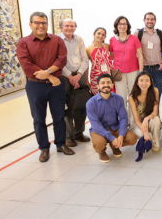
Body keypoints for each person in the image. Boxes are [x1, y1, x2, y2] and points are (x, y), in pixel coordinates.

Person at [17, 11, 74, 162]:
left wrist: (48, 72)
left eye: (43, 23)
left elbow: (62, 59)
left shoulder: (57, 40)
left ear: (47, 24)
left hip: (56, 85)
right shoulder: (23, 42)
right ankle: (44, 148)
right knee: (38, 119)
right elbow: (26, 65)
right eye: (37, 22)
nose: (40, 25)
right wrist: (50, 76)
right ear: (31, 24)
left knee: (59, 116)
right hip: (35, 86)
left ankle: (61, 144)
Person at [86, 73, 137, 163]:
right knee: (99, 143)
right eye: (103, 83)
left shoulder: (119, 99)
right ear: (98, 86)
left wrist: (121, 135)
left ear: (112, 85)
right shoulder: (91, 103)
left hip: (114, 127)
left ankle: (115, 146)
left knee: (132, 138)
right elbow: (96, 125)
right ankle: (101, 152)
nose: (106, 85)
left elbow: (123, 118)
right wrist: (112, 138)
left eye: (108, 82)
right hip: (99, 129)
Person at [58, 18, 90, 147]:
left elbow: (85, 59)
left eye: (72, 26)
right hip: (64, 76)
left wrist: (79, 75)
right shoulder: (57, 40)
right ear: (61, 27)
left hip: (79, 74)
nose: (70, 28)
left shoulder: (79, 39)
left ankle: (79, 132)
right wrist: (70, 77)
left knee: (81, 104)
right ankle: (69, 135)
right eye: (67, 26)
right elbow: (57, 61)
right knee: (67, 105)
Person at [110, 16, 143, 111]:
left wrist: (141, 72)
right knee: (121, 97)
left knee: (134, 96)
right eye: (120, 24)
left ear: (128, 26)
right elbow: (112, 56)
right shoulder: (112, 40)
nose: (122, 26)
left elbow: (140, 56)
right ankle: (124, 121)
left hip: (134, 71)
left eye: (125, 24)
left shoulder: (134, 38)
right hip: (118, 73)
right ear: (116, 26)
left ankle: (134, 121)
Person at [134, 12, 162, 99]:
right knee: (144, 92)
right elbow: (133, 51)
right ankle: (146, 111)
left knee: (158, 91)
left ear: (155, 21)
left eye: (152, 19)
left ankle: (158, 111)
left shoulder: (160, 33)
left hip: (158, 68)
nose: (150, 21)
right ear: (144, 20)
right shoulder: (138, 33)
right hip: (144, 68)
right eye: (148, 19)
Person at [128, 71, 161, 152]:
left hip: (149, 120)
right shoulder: (132, 98)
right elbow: (136, 120)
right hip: (137, 123)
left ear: (150, 83)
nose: (144, 83)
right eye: (141, 80)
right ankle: (146, 140)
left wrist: (146, 119)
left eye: (147, 80)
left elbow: (155, 112)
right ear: (137, 83)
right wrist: (145, 132)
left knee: (156, 120)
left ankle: (156, 144)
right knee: (141, 134)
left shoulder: (155, 91)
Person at [87, 27, 114, 95]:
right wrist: (86, 80)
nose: (100, 36)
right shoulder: (88, 49)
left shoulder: (107, 46)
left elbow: (112, 58)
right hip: (96, 77)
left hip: (108, 76)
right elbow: (86, 66)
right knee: (98, 97)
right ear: (94, 34)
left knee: (110, 96)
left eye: (103, 35)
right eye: (98, 33)